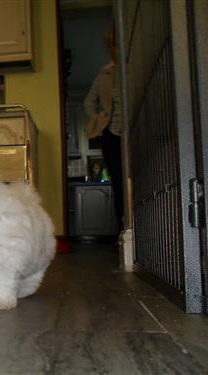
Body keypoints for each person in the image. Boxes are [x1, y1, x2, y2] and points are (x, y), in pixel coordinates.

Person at [84, 24, 124, 231]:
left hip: (134, 133)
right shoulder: (105, 73)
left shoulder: (134, 69)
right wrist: (100, 119)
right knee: (119, 184)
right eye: (113, 44)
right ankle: (123, 232)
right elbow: (89, 102)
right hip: (111, 135)